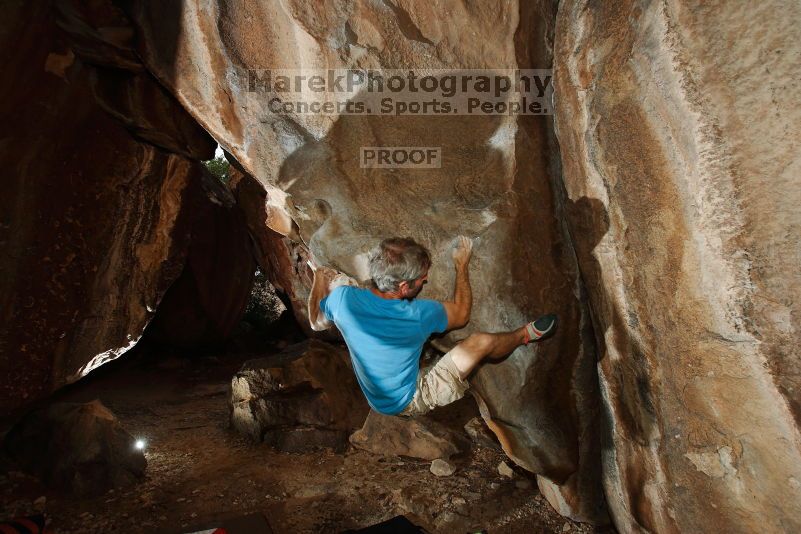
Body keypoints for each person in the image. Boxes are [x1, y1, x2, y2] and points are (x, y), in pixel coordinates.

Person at [307, 236, 557, 417]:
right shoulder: (417, 314)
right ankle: (525, 335)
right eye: (421, 278)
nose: (426, 278)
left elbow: (317, 315)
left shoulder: (343, 300)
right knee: (481, 342)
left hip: (375, 395)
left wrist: (321, 275)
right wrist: (461, 265)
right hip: (410, 398)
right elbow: (461, 314)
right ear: (404, 287)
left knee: (339, 282)